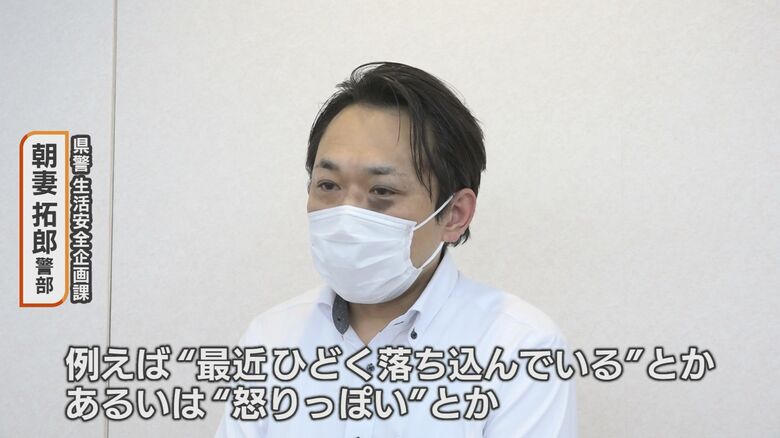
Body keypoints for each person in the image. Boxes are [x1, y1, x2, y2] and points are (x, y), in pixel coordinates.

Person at [215, 61, 577, 437]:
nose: (346, 216)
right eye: (328, 185)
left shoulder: (522, 350)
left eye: (382, 191)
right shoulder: (270, 338)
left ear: (454, 214)